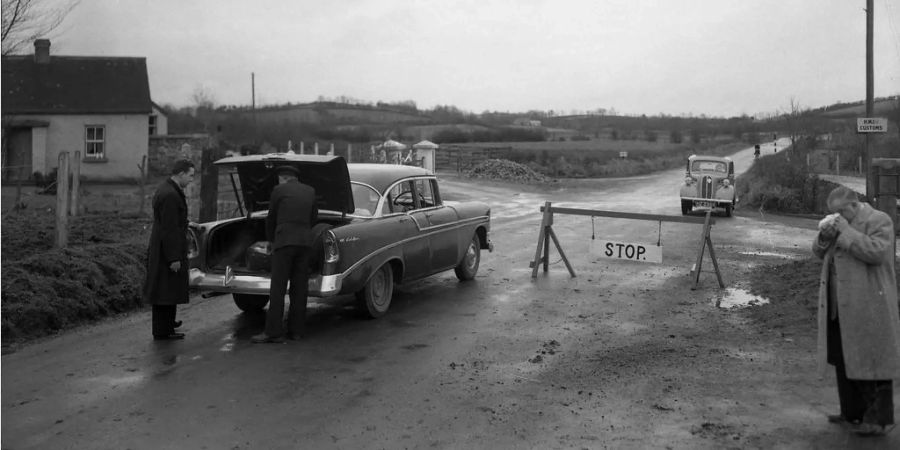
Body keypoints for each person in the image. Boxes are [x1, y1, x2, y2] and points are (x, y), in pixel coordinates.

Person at [812, 186, 900, 436]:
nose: (837, 217)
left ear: (853, 205)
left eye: (840, 212)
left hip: (870, 305)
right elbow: (818, 252)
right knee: (843, 358)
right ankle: (851, 413)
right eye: (833, 213)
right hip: (840, 304)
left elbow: (878, 252)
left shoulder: (879, 220)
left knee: (874, 361)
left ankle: (878, 420)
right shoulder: (840, 225)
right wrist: (824, 237)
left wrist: (845, 232)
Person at [251, 165, 317, 344]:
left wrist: (272, 241)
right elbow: (313, 218)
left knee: (278, 288)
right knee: (299, 288)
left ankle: (273, 332)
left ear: (283, 178)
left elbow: (271, 218)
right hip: (304, 242)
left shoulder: (278, 190)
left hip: (284, 242)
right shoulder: (310, 191)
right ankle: (297, 331)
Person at [143, 159, 195, 340]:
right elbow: (170, 229)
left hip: (163, 247)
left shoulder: (167, 190)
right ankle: (162, 329)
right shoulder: (170, 195)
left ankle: (167, 324)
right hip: (167, 251)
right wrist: (174, 258)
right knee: (164, 290)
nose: (191, 180)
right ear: (180, 174)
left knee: (167, 289)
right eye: (190, 175)